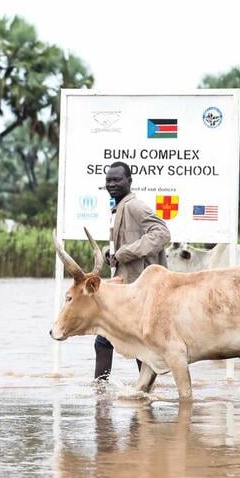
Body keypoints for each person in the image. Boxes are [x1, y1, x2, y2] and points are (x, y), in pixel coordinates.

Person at [95, 161, 170, 381]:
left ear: (129, 181)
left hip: (140, 288)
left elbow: (162, 234)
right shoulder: (119, 208)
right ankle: (138, 394)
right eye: (108, 180)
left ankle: (103, 390)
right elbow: (126, 245)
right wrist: (112, 252)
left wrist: (125, 252)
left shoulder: (134, 206)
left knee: (107, 340)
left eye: (117, 179)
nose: (112, 184)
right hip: (127, 288)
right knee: (121, 342)